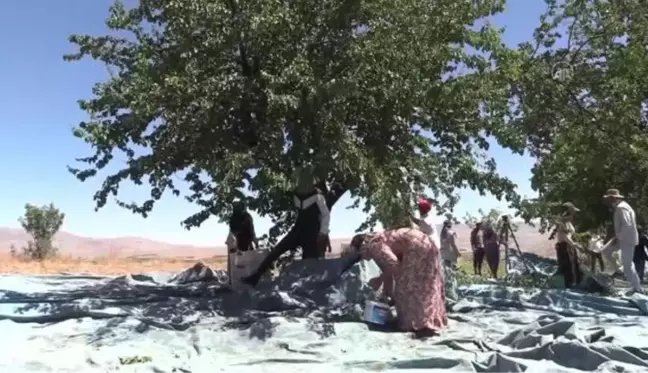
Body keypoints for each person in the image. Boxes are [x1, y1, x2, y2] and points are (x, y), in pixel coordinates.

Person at [350, 228, 447, 335]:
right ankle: (432, 321)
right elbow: (388, 272)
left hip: (417, 248)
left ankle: (415, 324)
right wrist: (387, 296)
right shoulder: (379, 240)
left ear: (363, 248)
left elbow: (394, 265)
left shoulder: (374, 245)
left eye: (360, 255)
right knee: (427, 284)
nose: (363, 259)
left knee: (407, 286)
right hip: (427, 244)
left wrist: (379, 280)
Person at [242, 168, 330, 287]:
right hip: (297, 230)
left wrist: (323, 233)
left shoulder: (318, 195)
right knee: (276, 251)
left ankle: (309, 288)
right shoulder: (296, 194)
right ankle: (256, 277)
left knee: (309, 263)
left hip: (312, 234)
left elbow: (325, 215)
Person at [600, 188, 642, 294]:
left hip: (627, 239)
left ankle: (637, 288)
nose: (607, 202)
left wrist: (617, 237)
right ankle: (618, 269)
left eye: (608, 199)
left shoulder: (621, 208)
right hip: (622, 238)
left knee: (628, 265)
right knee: (606, 251)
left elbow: (627, 225)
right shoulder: (620, 207)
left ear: (613, 198)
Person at [553, 202, 582, 288]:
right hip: (565, 247)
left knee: (574, 267)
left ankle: (575, 284)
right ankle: (569, 287)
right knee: (568, 268)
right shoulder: (563, 223)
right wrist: (573, 244)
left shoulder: (567, 222)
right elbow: (565, 236)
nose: (574, 214)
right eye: (572, 212)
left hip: (569, 246)